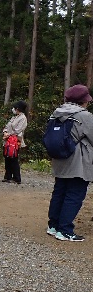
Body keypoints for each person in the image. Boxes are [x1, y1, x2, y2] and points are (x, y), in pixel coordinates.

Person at [47, 85, 93, 242]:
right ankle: (65, 230)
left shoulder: (57, 113)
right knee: (74, 195)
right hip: (78, 162)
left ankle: (53, 226)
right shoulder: (84, 116)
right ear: (83, 101)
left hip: (60, 159)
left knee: (59, 192)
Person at [3, 100, 28, 184]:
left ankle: (17, 177)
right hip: (8, 140)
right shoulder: (14, 117)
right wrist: (5, 132)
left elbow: (18, 130)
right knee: (7, 158)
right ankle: (8, 176)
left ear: (18, 108)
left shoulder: (23, 118)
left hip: (15, 141)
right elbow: (7, 126)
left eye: (14, 108)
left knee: (13, 158)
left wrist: (8, 134)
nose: (13, 109)